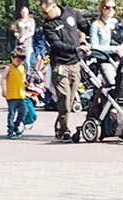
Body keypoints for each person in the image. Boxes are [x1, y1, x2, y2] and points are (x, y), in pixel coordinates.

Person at [39, 0, 84, 140]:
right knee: (64, 98)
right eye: (42, 13)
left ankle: (59, 127)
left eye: (45, 12)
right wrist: (75, 48)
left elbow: (84, 25)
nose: (44, 15)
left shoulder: (71, 13)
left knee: (70, 99)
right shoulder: (47, 26)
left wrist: (87, 36)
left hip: (75, 63)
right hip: (60, 65)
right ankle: (64, 130)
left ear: (55, 6)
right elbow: (56, 44)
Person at [1, 45, 33, 137]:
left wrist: (27, 85)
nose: (19, 63)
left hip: (21, 95)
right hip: (11, 95)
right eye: (18, 61)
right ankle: (10, 130)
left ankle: (16, 125)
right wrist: (4, 90)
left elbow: (22, 78)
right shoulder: (9, 68)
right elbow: (3, 79)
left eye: (21, 61)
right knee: (11, 113)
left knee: (24, 112)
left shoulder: (22, 67)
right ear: (12, 58)